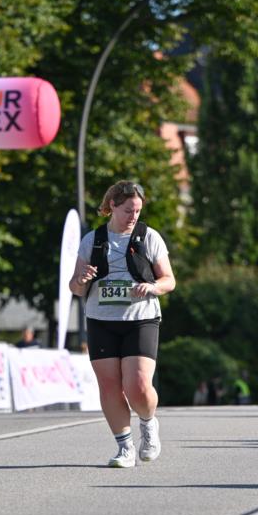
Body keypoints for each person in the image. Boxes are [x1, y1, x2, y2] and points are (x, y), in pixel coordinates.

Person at [69, 180, 175, 467]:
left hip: (140, 318)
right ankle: (125, 447)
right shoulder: (93, 240)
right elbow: (76, 287)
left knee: (138, 385)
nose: (134, 217)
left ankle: (149, 424)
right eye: (128, 210)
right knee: (109, 386)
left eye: (138, 211)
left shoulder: (149, 237)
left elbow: (169, 280)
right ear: (112, 206)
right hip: (101, 319)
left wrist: (153, 288)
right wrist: (82, 280)